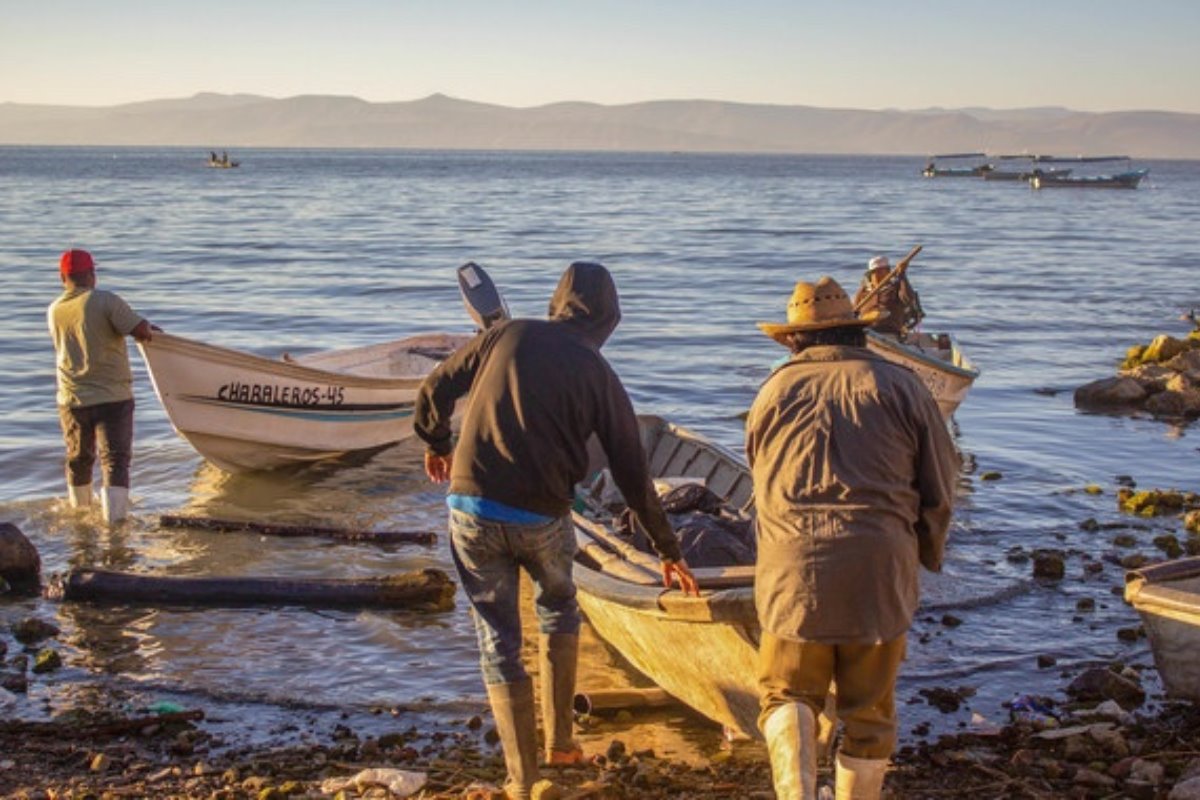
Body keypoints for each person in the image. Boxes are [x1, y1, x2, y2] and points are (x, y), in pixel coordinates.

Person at [414, 261, 698, 800]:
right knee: (558, 607)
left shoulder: (506, 333)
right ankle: (561, 743)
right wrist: (668, 550)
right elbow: (635, 473)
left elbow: (435, 387)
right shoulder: (598, 373)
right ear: (610, 317)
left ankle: (522, 781)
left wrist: (436, 443)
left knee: (498, 639)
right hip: (543, 516)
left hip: (472, 508)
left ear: (557, 303)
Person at [747, 276, 958, 800]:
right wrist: (925, 555)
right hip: (878, 566)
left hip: (793, 569)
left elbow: (761, 479)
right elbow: (940, 485)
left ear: (794, 340)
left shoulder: (772, 389)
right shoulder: (903, 385)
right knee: (869, 712)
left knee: (787, 694)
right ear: (858, 334)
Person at [47, 249, 157, 524]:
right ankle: (115, 526)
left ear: (63, 278)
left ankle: (79, 518)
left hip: (71, 399)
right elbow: (142, 331)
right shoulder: (105, 300)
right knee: (115, 460)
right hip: (112, 397)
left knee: (79, 459)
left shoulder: (54, 309)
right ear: (92, 275)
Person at [851, 255, 924, 336]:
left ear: (888, 273)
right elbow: (853, 313)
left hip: (889, 333)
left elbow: (908, 299)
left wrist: (902, 275)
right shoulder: (863, 292)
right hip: (867, 332)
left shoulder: (895, 288)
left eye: (882, 272)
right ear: (870, 275)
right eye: (875, 273)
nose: (878, 276)